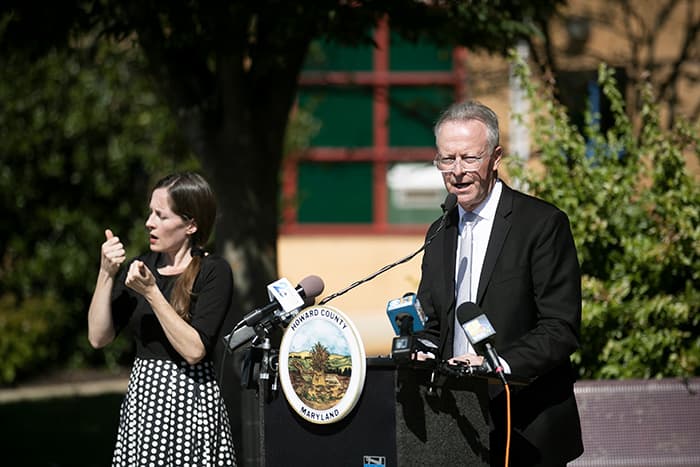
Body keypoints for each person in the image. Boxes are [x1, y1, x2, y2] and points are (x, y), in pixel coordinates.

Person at [415, 101, 584, 466]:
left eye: (469, 158)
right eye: (447, 159)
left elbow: (560, 327)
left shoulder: (541, 225)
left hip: (526, 428)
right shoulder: (440, 231)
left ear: (495, 157)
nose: (457, 171)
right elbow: (431, 322)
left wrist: (495, 364)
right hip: (455, 427)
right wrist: (421, 348)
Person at [88, 172, 237, 466]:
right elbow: (98, 337)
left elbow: (195, 350)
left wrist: (152, 293)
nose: (149, 223)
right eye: (150, 213)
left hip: (192, 406)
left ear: (190, 225)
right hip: (144, 407)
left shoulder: (213, 271)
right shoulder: (139, 268)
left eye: (161, 215)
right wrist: (106, 273)